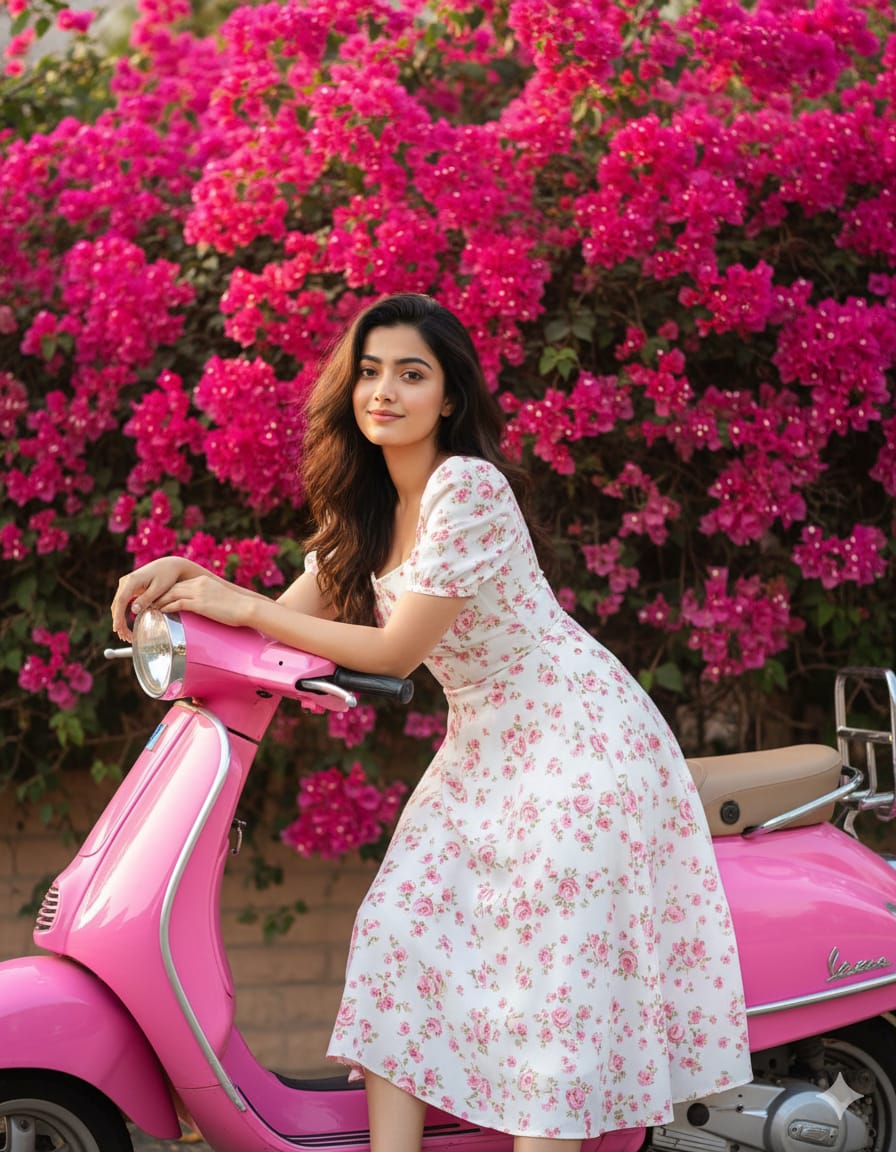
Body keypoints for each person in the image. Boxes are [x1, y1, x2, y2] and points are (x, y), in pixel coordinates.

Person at [112, 292, 751, 1152]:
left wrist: (250, 607)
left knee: (548, 973)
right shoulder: (363, 513)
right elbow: (276, 622)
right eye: (369, 372)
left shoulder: (467, 486)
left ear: (448, 397)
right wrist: (190, 582)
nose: (385, 390)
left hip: (580, 738)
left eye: (411, 374)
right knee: (397, 932)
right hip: (488, 742)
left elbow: (397, 650)